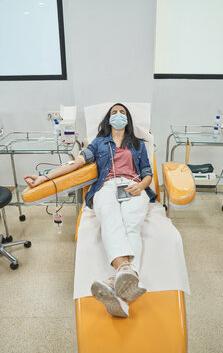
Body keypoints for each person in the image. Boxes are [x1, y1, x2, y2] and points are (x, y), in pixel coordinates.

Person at [24, 103, 157, 318]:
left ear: (128, 119)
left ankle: (116, 285)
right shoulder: (98, 143)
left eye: (122, 113)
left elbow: (147, 173)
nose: (118, 115)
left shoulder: (138, 144)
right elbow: (73, 165)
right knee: (109, 218)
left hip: (133, 186)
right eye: (114, 112)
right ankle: (127, 274)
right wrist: (44, 177)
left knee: (132, 223)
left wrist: (141, 186)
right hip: (106, 186)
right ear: (108, 119)